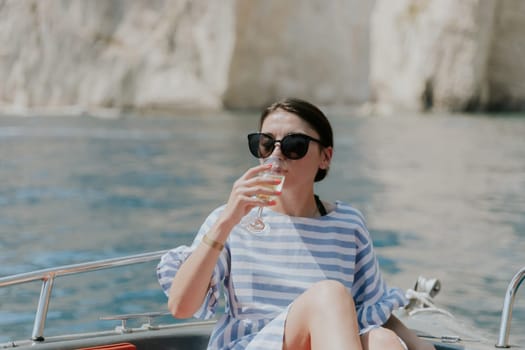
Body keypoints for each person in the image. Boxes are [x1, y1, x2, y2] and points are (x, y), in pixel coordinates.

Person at [157, 98, 435, 350]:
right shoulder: (231, 219)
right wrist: (227, 221)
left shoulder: (348, 223)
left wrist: (421, 347)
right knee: (330, 294)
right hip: (249, 345)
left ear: (325, 157)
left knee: (383, 341)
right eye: (266, 144)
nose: (276, 156)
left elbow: (375, 310)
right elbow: (181, 306)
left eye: (294, 146)